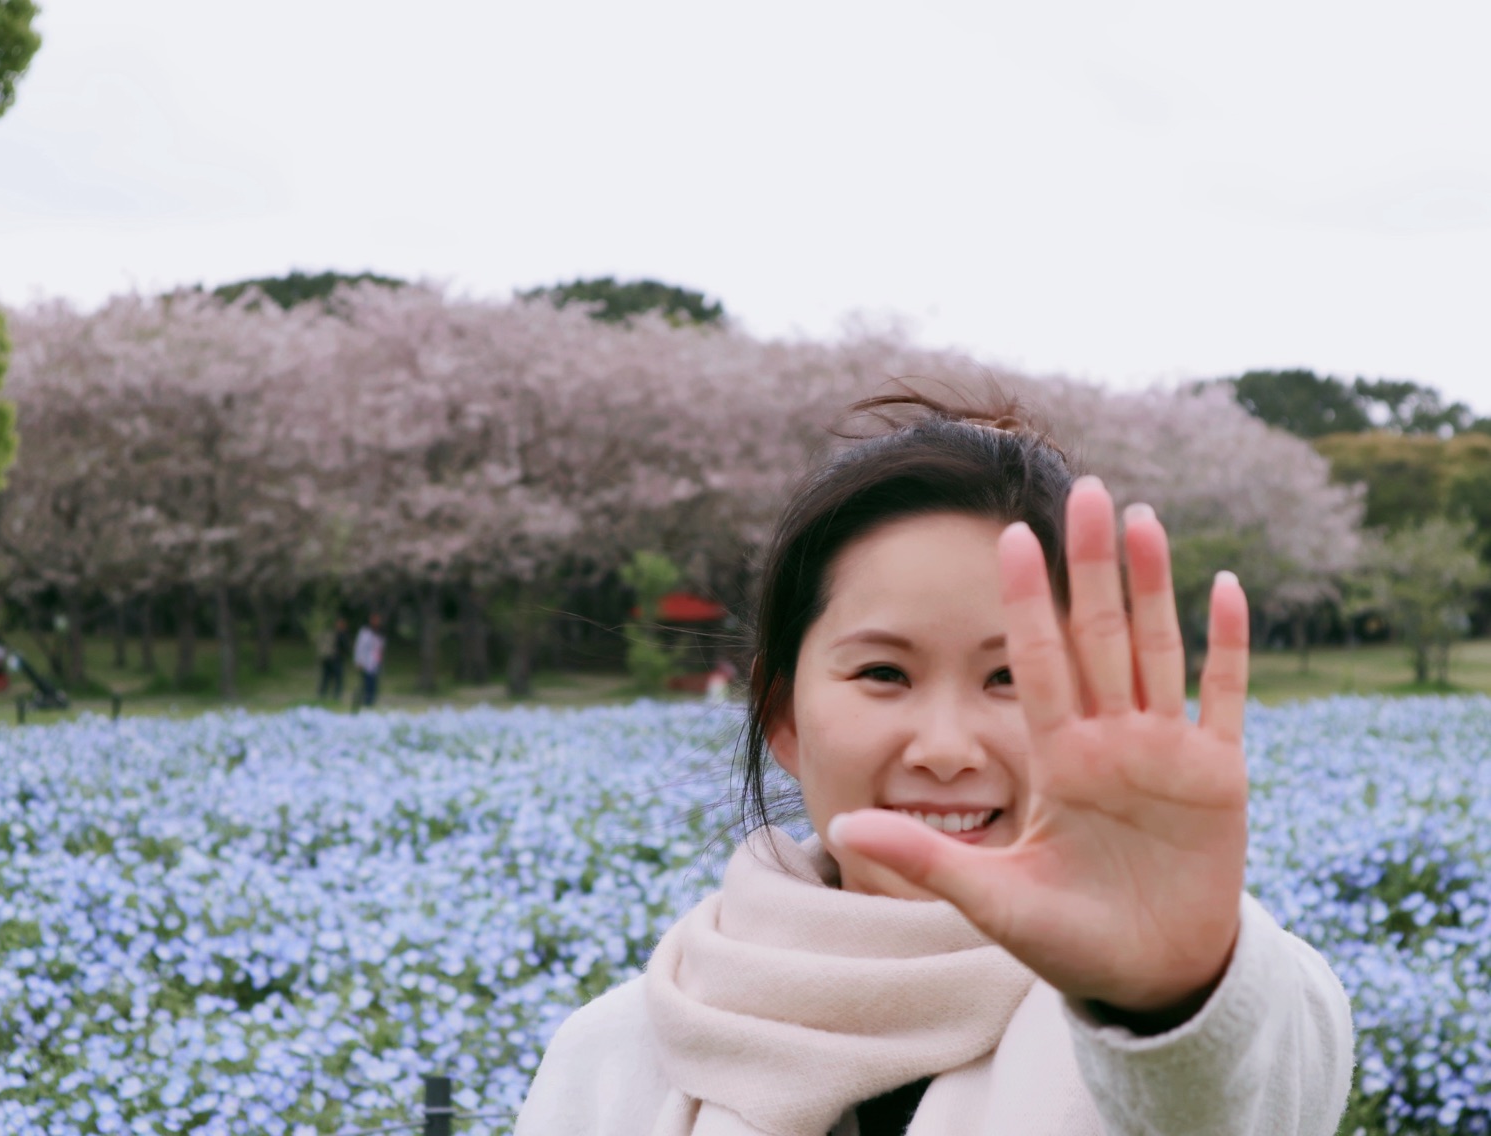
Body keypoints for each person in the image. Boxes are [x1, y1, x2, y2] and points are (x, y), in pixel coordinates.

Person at [514, 391, 1355, 1136]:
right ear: (783, 719)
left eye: (1012, 678)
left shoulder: (1196, 995)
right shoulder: (611, 1054)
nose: (946, 750)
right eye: (884, 673)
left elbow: (1233, 1094)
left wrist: (1169, 1002)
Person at [353, 613, 385, 708]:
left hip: (375, 662)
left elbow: (380, 647)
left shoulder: (380, 633)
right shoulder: (365, 632)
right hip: (366, 662)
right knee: (366, 683)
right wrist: (359, 661)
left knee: (374, 683)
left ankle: (371, 702)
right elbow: (359, 647)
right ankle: (366, 702)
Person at [316, 616, 350, 701]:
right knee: (335, 679)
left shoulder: (331, 633)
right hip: (334, 659)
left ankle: (324, 696)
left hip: (329, 659)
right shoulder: (339, 634)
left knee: (327, 679)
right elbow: (345, 647)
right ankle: (333, 696)